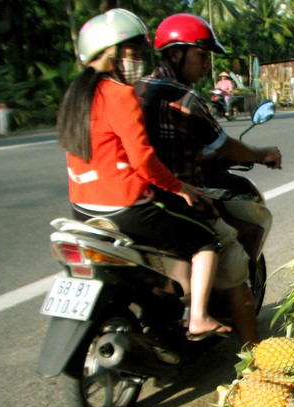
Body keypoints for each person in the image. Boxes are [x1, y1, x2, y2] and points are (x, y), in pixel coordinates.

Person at [56, 8, 232, 342]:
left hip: (82, 208)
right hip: (127, 208)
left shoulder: (76, 97)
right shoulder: (120, 95)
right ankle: (198, 317)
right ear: (110, 55)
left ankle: (162, 311)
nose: (136, 62)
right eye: (132, 54)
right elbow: (143, 159)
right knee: (205, 240)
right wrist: (179, 187)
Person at [135, 13, 282, 345]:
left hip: (135, 200)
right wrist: (261, 154)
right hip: (178, 199)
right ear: (175, 54)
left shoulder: (135, 89)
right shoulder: (186, 100)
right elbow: (226, 145)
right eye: (201, 56)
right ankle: (253, 361)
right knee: (234, 263)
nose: (206, 65)